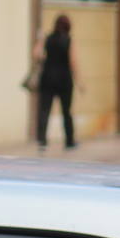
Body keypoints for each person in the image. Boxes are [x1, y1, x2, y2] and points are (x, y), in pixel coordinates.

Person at [34, 13, 81, 151]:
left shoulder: (47, 38)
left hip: (47, 79)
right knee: (66, 111)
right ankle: (69, 141)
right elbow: (73, 62)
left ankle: (42, 141)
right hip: (64, 80)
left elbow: (36, 54)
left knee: (44, 110)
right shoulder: (69, 40)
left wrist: (40, 40)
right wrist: (79, 81)